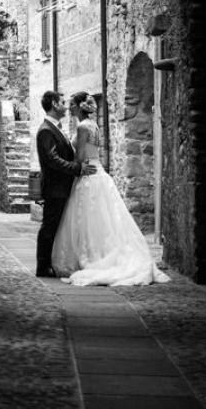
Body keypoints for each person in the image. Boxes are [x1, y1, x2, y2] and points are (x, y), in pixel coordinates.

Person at [51, 91, 170, 286]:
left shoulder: (82, 127)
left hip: (87, 173)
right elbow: (94, 151)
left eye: (72, 103)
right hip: (98, 171)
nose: (69, 106)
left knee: (87, 218)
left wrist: (68, 168)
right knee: (104, 219)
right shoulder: (94, 125)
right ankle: (103, 253)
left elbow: (80, 157)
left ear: (80, 106)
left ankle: (91, 257)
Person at [34, 90, 95, 278]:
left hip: (62, 186)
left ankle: (52, 262)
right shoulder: (46, 130)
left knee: (55, 226)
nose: (66, 106)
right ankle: (43, 267)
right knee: (49, 226)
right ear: (54, 104)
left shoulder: (56, 128)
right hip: (55, 187)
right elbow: (53, 160)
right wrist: (77, 169)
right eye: (62, 101)